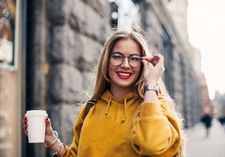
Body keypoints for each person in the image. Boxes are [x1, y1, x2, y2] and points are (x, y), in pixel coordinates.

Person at [23, 27, 185, 157]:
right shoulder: (90, 108)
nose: (125, 65)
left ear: (144, 64)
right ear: (107, 62)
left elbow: (152, 145)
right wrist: (53, 142)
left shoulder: (154, 107)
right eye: (117, 56)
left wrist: (151, 83)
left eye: (134, 58)